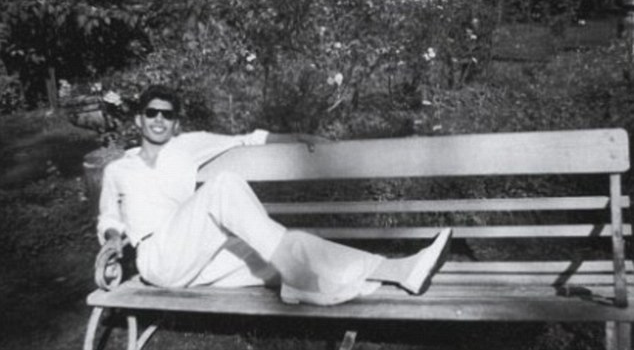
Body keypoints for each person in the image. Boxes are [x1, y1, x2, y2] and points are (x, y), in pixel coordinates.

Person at [98, 85, 452, 306]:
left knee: (292, 249)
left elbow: (248, 139)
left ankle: (399, 269)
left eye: (168, 114)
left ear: (176, 123)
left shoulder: (186, 146)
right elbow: (109, 218)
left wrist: (298, 137)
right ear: (138, 120)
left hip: (197, 256)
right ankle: (301, 280)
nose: (159, 120)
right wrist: (113, 238)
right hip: (156, 257)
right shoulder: (117, 169)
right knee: (223, 185)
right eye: (151, 113)